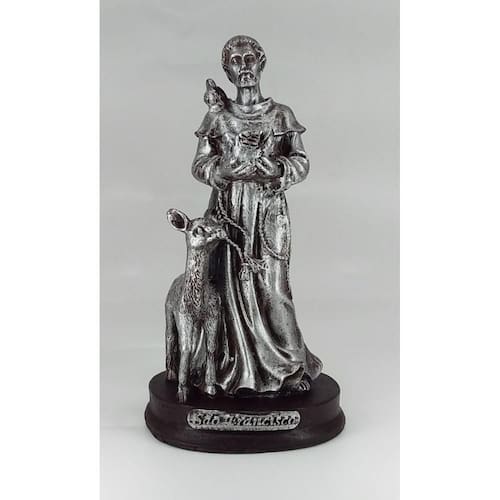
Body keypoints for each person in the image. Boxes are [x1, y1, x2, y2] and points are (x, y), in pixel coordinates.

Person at [191, 35, 322, 395]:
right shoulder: (218, 117)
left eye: (250, 59)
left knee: (273, 288)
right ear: (227, 71)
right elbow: (200, 164)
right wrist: (220, 170)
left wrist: (277, 169)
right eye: (236, 61)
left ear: (261, 63)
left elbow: (301, 162)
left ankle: (291, 365)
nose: (244, 67)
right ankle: (231, 367)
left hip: (267, 211)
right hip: (228, 211)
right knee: (227, 287)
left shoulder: (280, 115)